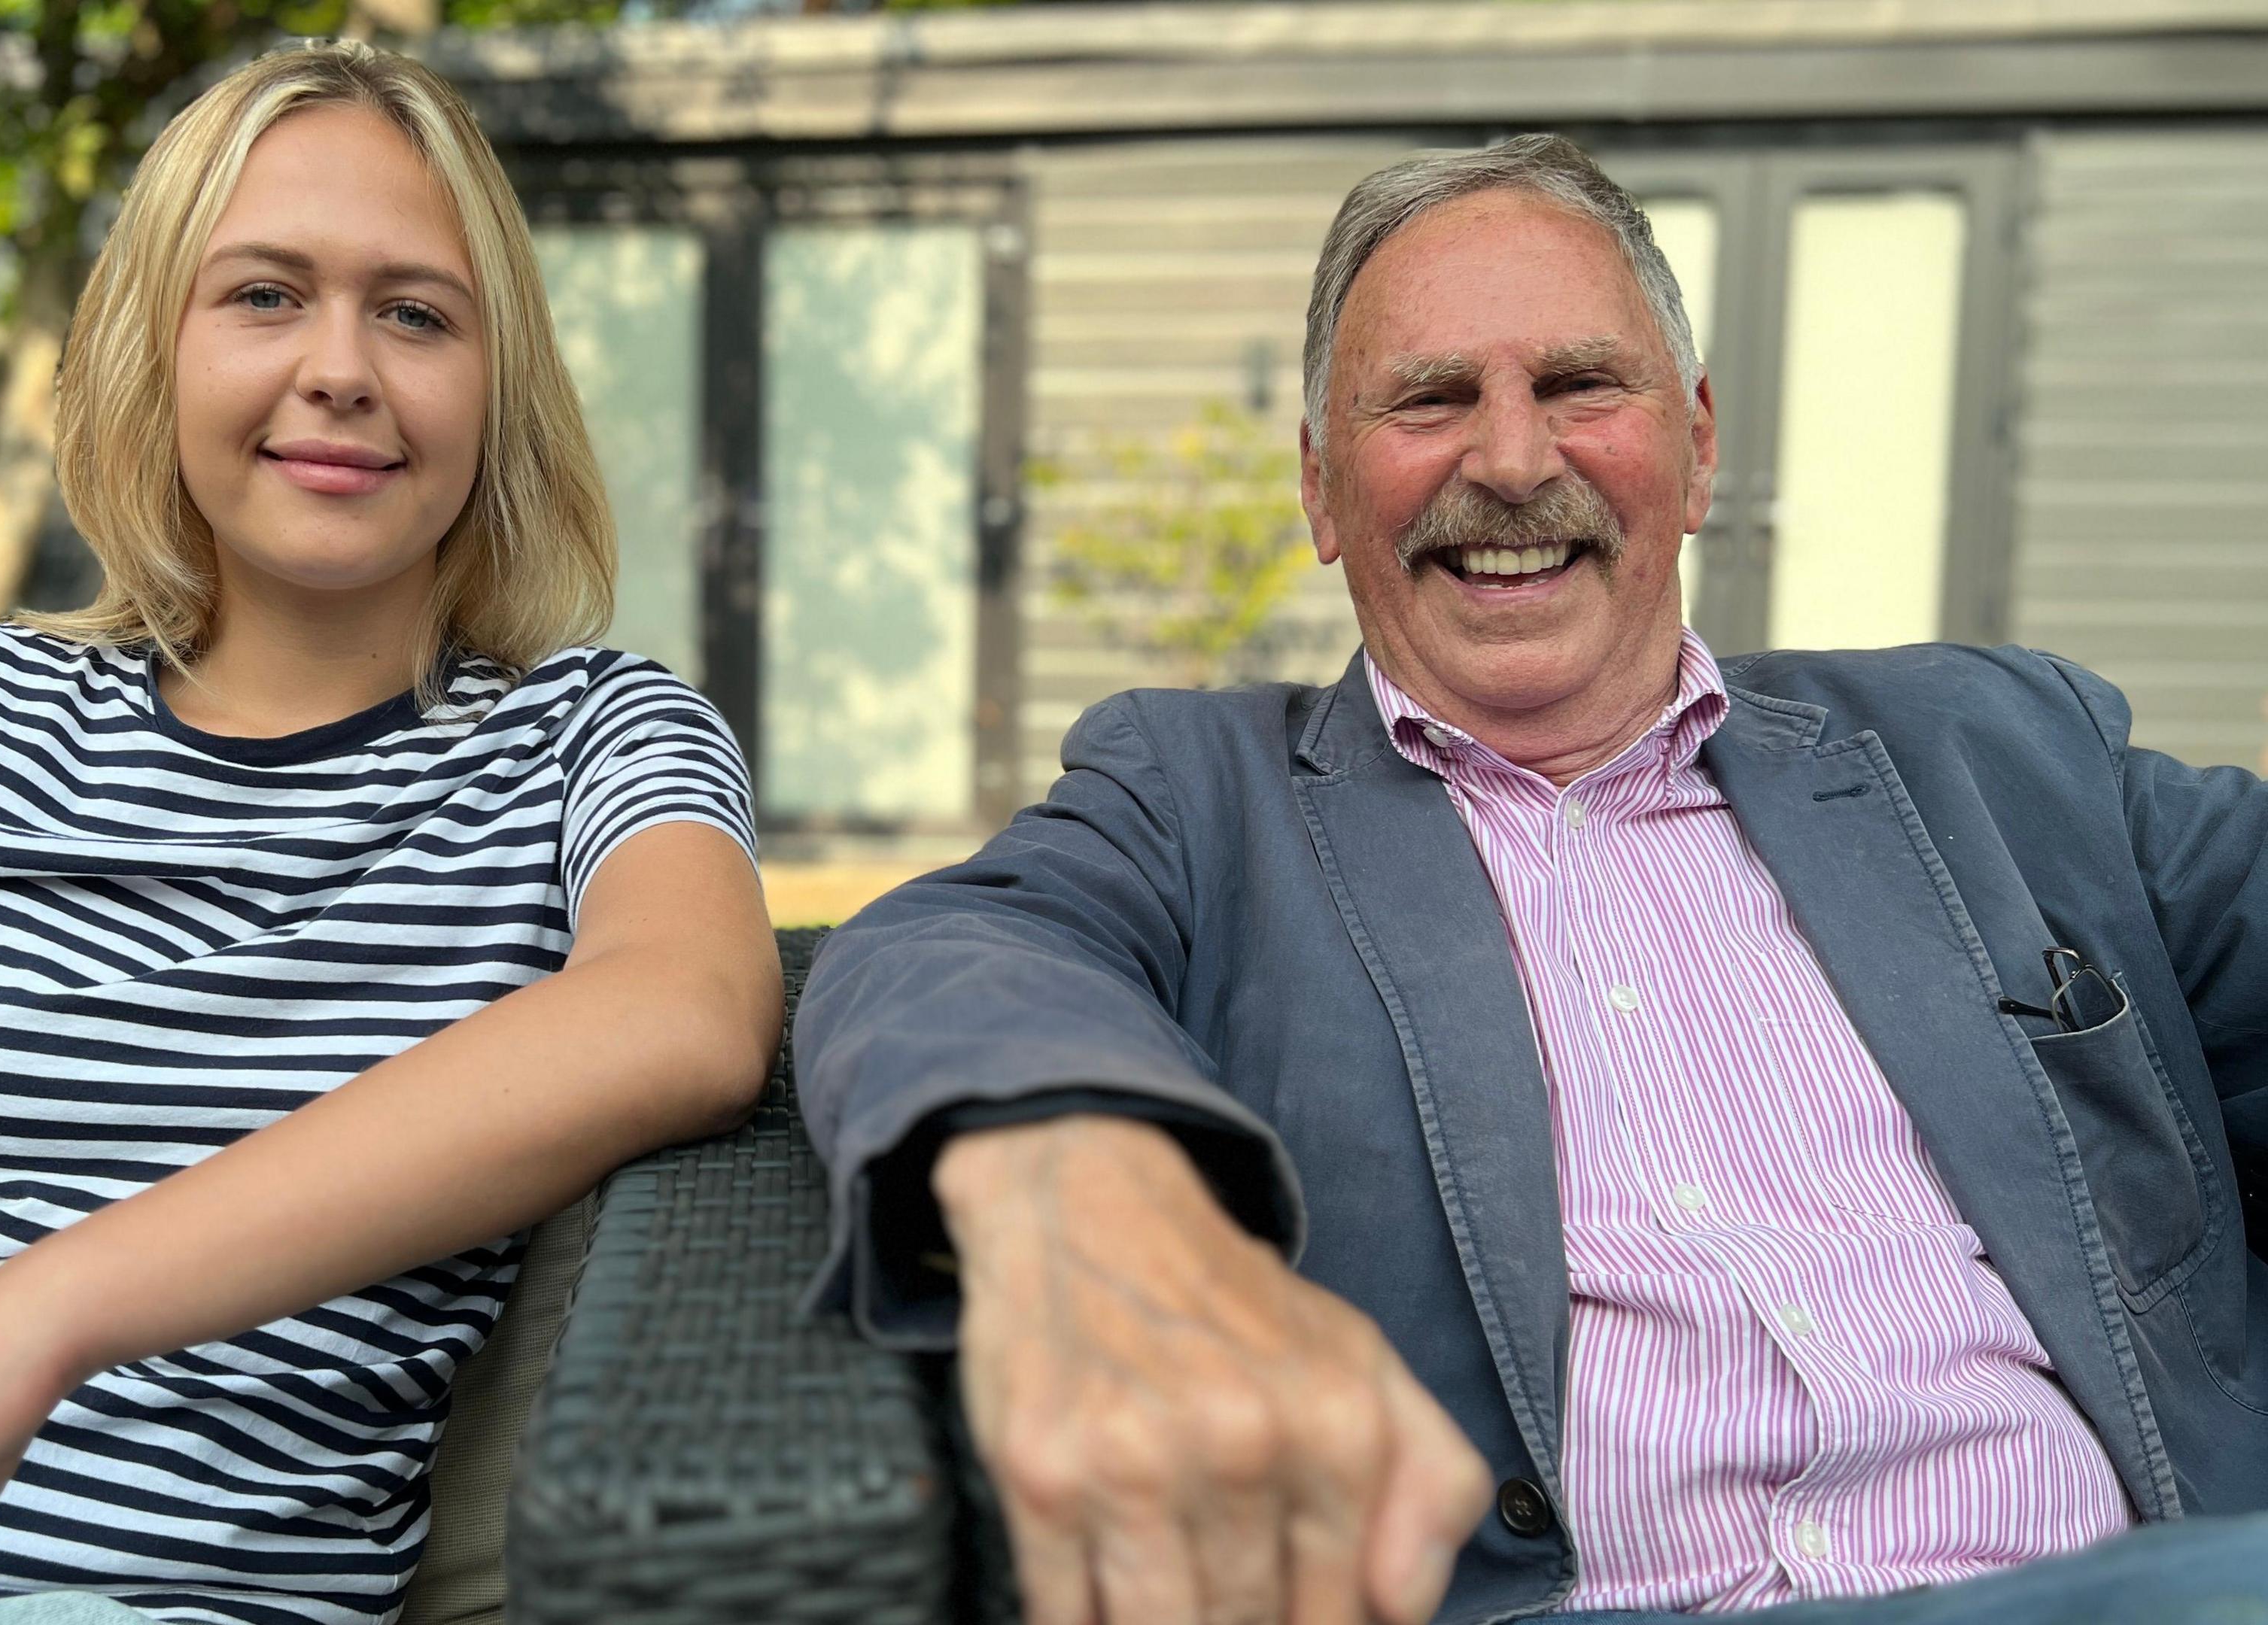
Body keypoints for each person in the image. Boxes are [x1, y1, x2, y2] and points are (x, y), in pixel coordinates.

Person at [792, 135, 2268, 1625]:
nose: (1510, 462)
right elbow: (944, 946)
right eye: (1430, 399)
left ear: (1695, 445)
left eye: (1579, 386)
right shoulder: (1203, 800)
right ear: (1319, 485)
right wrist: (1073, 1177)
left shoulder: (1992, 750)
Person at [0, 39, 780, 1625]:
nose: (342, 367)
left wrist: (31, 1323)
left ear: (495, 384)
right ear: (152, 350)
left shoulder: (589, 733)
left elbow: (693, 1010)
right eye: (262, 295)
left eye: (416, 312)